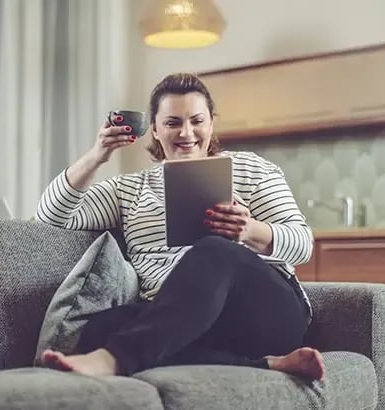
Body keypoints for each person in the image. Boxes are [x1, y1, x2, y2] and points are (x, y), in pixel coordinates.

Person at [35, 73, 324, 380]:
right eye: (173, 123)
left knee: (215, 250)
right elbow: (51, 217)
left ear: (211, 124)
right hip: (176, 322)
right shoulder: (129, 190)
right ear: (156, 130)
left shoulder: (252, 169)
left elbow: (302, 244)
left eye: (197, 121)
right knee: (97, 329)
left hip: (261, 313)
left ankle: (116, 359)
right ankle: (267, 365)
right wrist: (96, 157)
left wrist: (250, 230)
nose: (187, 133)